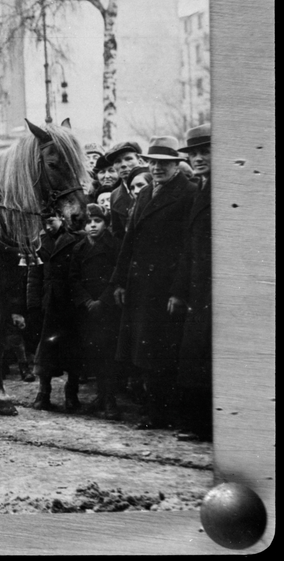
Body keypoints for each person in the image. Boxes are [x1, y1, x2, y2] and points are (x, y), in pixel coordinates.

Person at [109, 136, 197, 430]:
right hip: (140, 285)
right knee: (143, 351)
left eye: (165, 164)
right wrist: (120, 282)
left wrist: (178, 291)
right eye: (153, 162)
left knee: (162, 351)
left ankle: (162, 413)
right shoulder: (146, 193)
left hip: (165, 287)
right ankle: (152, 410)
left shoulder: (188, 193)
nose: (158, 168)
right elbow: (129, 242)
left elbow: (188, 248)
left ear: (177, 165)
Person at [173, 123, 212, 442]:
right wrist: (180, 290)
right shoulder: (202, 188)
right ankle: (200, 425)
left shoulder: (225, 191)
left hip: (217, 290)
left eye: (205, 152)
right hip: (200, 290)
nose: (198, 159)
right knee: (197, 356)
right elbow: (189, 247)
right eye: (194, 153)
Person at [29, 211, 84, 412]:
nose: (47, 226)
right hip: (48, 301)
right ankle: (44, 392)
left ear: (61, 217)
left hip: (70, 300)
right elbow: (33, 276)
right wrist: (33, 304)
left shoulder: (77, 239)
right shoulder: (38, 243)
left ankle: (72, 393)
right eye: (44, 223)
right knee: (46, 349)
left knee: (73, 348)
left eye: (51, 221)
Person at [71, 204, 122, 419]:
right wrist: (86, 301)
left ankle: (109, 399)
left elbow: (118, 275)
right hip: (87, 309)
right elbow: (73, 278)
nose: (92, 226)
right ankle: (100, 397)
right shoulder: (79, 249)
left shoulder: (114, 246)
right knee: (92, 352)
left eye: (97, 221)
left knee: (108, 353)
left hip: (107, 308)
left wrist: (102, 301)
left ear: (106, 224)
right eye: (88, 222)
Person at [105, 140, 143, 239]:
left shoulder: (154, 185)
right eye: (117, 161)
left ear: (140, 161)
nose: (123, 165)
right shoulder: (115, 195)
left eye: (128, 159)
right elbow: (117, 234)